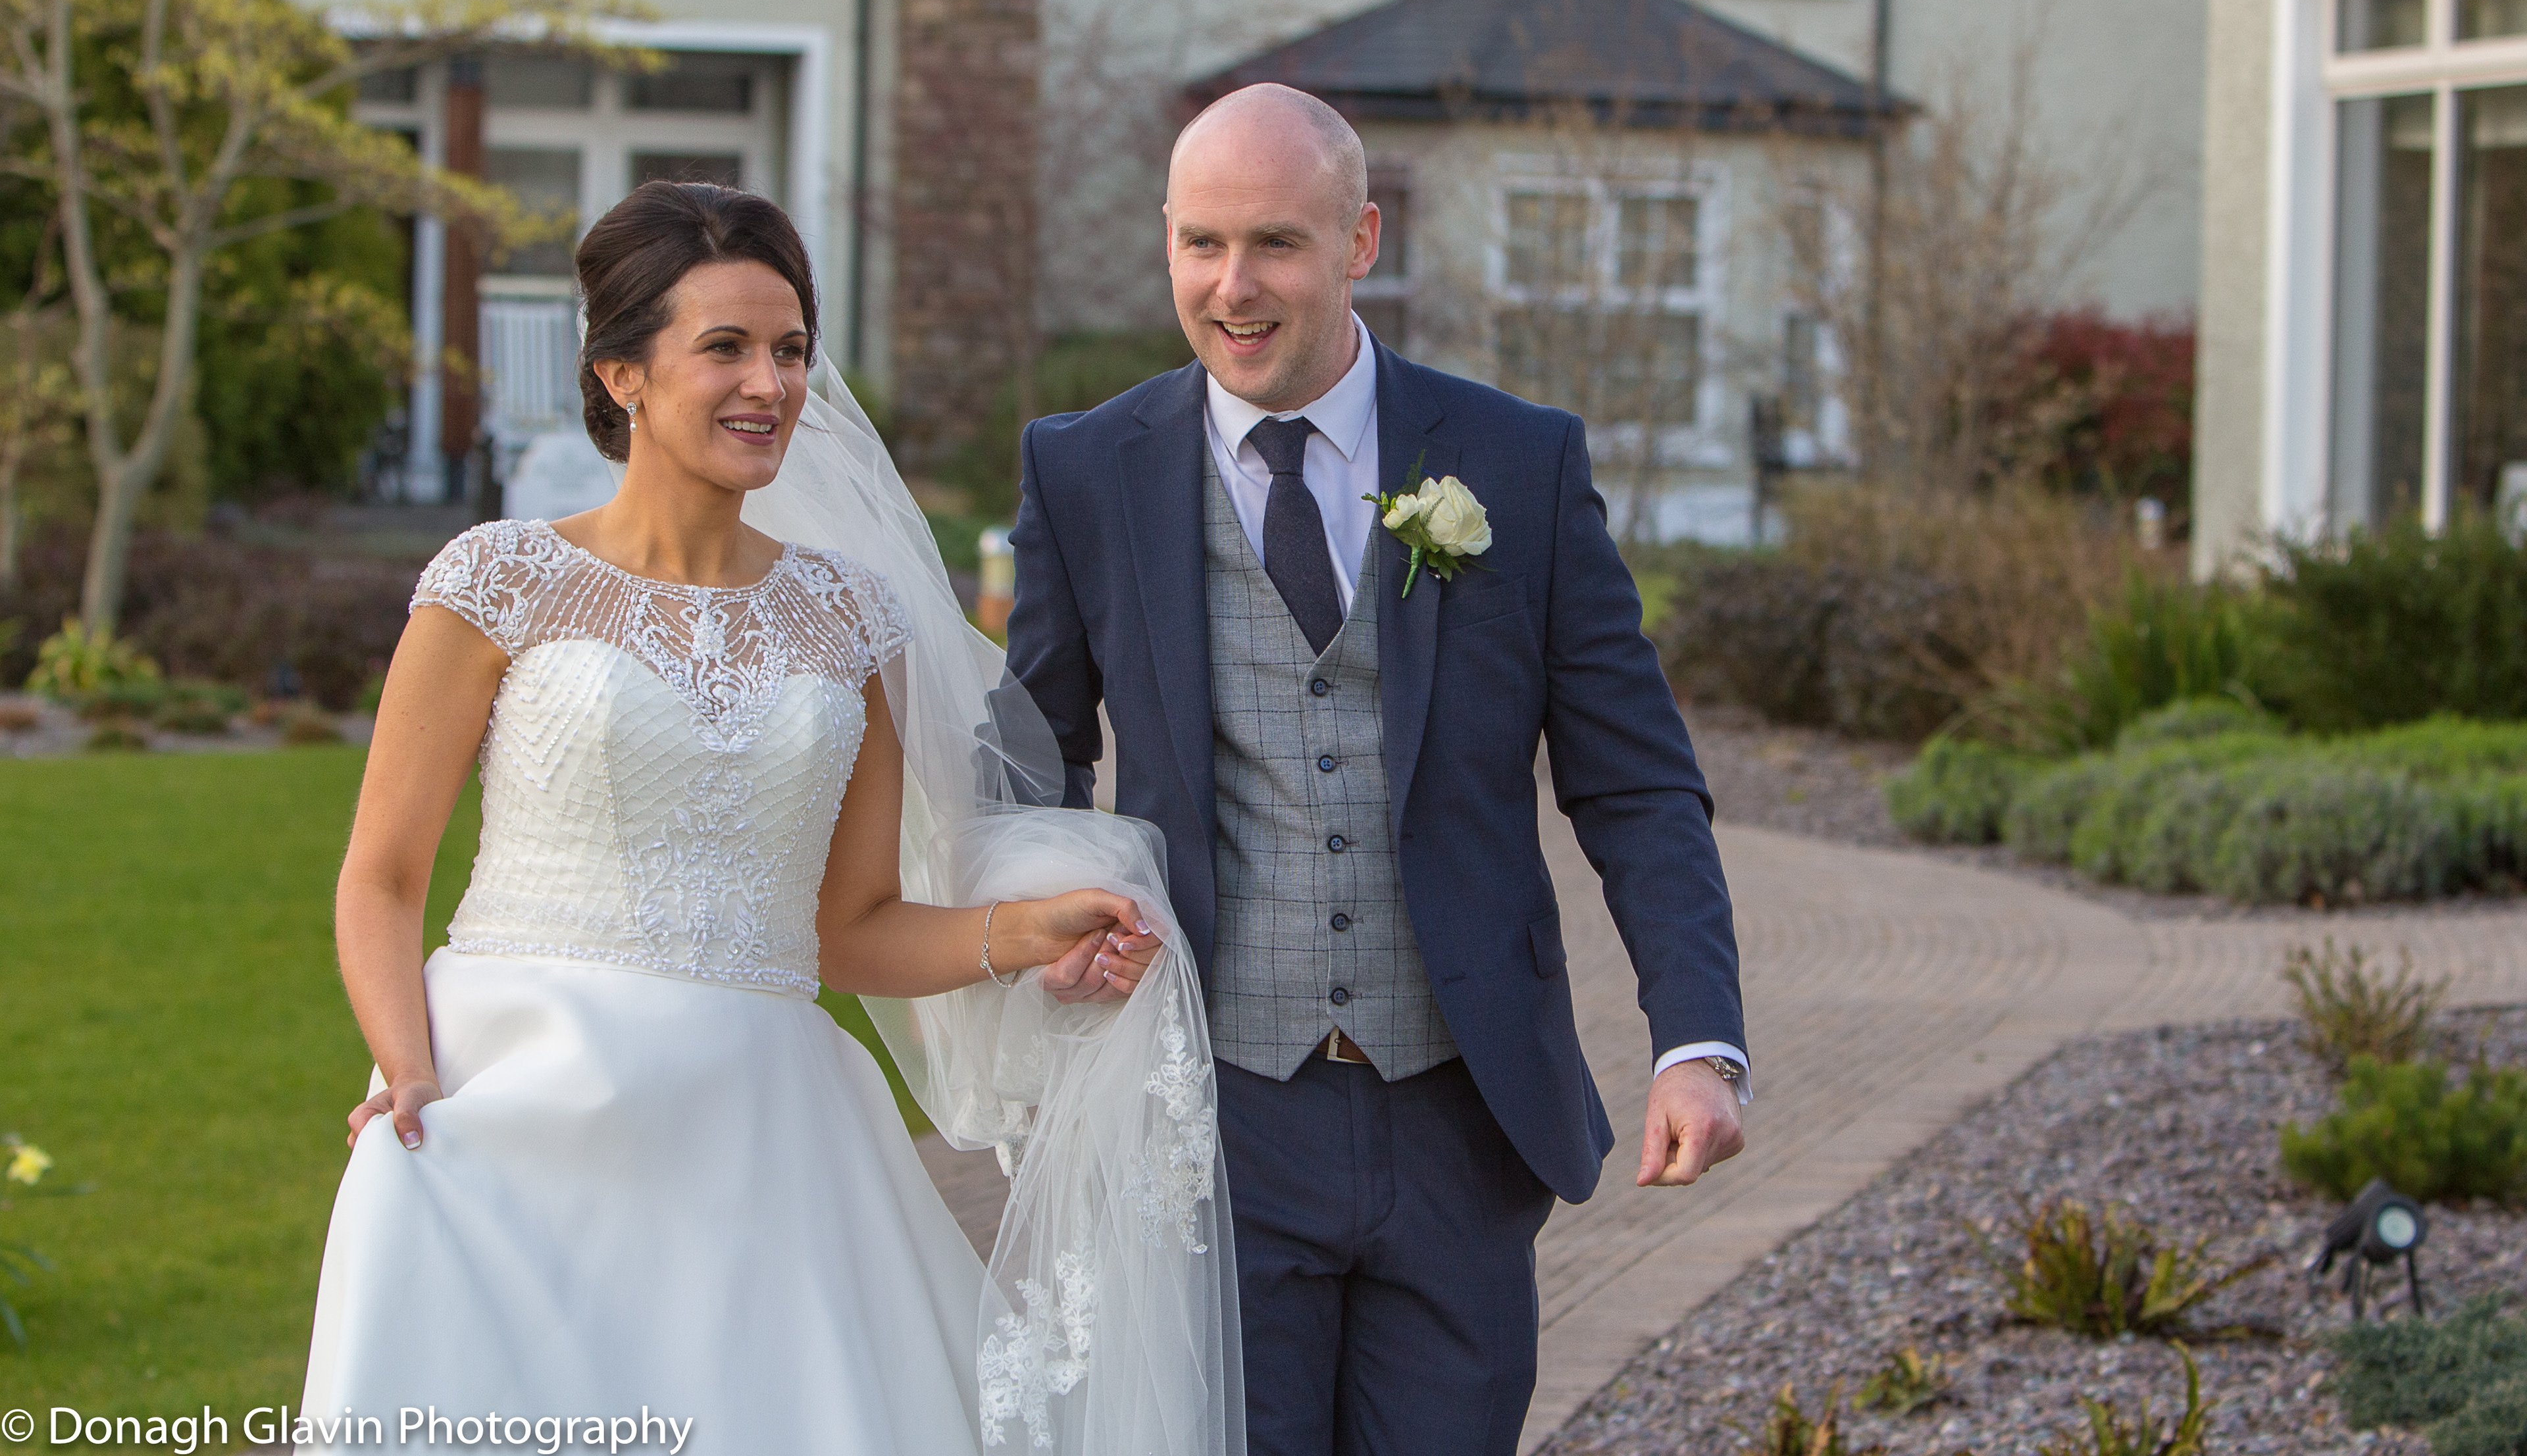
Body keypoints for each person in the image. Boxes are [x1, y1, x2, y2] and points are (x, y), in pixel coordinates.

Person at [300, 182, 1241, 1456]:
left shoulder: (847, 619)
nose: (772, 383)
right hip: (514, 1100)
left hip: (761, 1139)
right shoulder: (497, 582)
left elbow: (848, 929)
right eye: (726, 347)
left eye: (792, 348)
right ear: (622, 372)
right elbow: (381, 875)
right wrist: (410, 1063)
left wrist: (1026, 931)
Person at [1006, 85, 1750, 1456]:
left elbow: (1636, 781)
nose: (1234, 287)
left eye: (1276, 244)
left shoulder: (1518, 465)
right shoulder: (1086, 469)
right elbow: (1034, 749)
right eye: (1202, 245)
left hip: (1461, 1118)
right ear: (1166, 241)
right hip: (1215, 1115)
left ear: (1361, 238)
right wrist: (1036, 922)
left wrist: (1697, 1037)